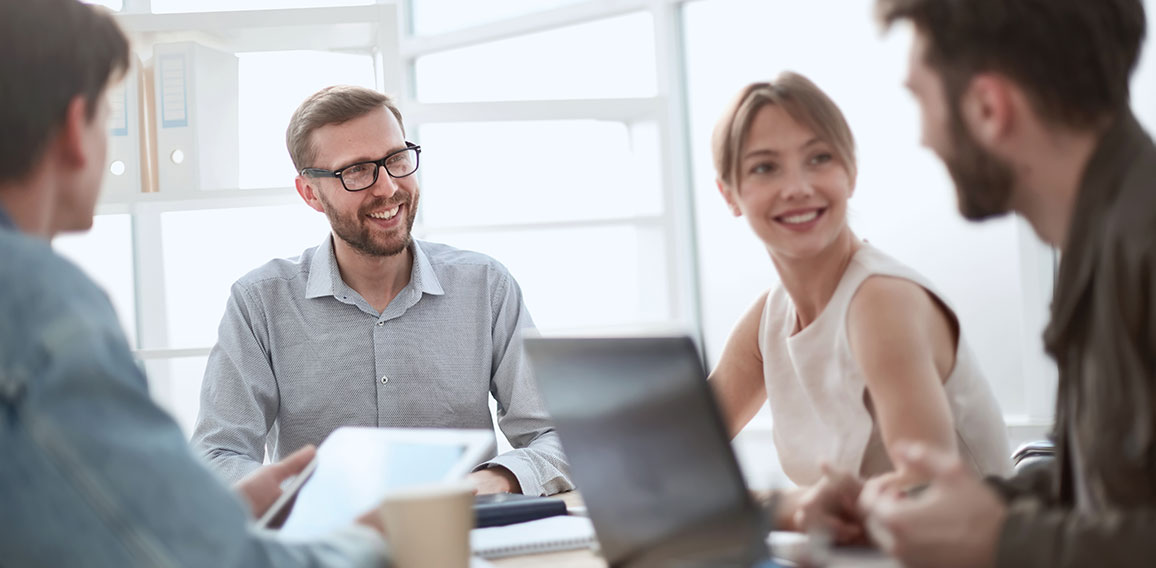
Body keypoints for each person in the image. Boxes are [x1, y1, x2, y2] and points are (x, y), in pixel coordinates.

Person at [0, 2, 390, 566]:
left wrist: (218, 511)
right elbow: (207, 559)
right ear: (73, 130)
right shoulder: (40, 302)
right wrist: (374, 538)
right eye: (108, 118)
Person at [859, 0, 1156, 567]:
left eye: (919, 98)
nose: (922, 138)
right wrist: (931, 509)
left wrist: (1003, 543)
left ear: (990, 108)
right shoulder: (1101, 240)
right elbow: (1101, 496)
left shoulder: (1143, 244)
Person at [190, 85, 572, 497]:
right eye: (356, 170)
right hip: (323, 551)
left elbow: (556, 435)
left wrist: (489, 481)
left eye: (396, 159)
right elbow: (217, 453)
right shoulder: (260, 304)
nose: (388, 187)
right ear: (310, 194)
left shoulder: (486, 287)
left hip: (465, 543)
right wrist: (306, 496)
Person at [707, 71, 1011, 540]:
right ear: (729, 194)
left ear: (850, 172)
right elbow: (680, 461)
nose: (798, 186)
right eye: (765, 167)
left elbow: (922, 496)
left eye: (819, 158)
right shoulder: (769, 317)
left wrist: (778, 507)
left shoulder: (880, 300)